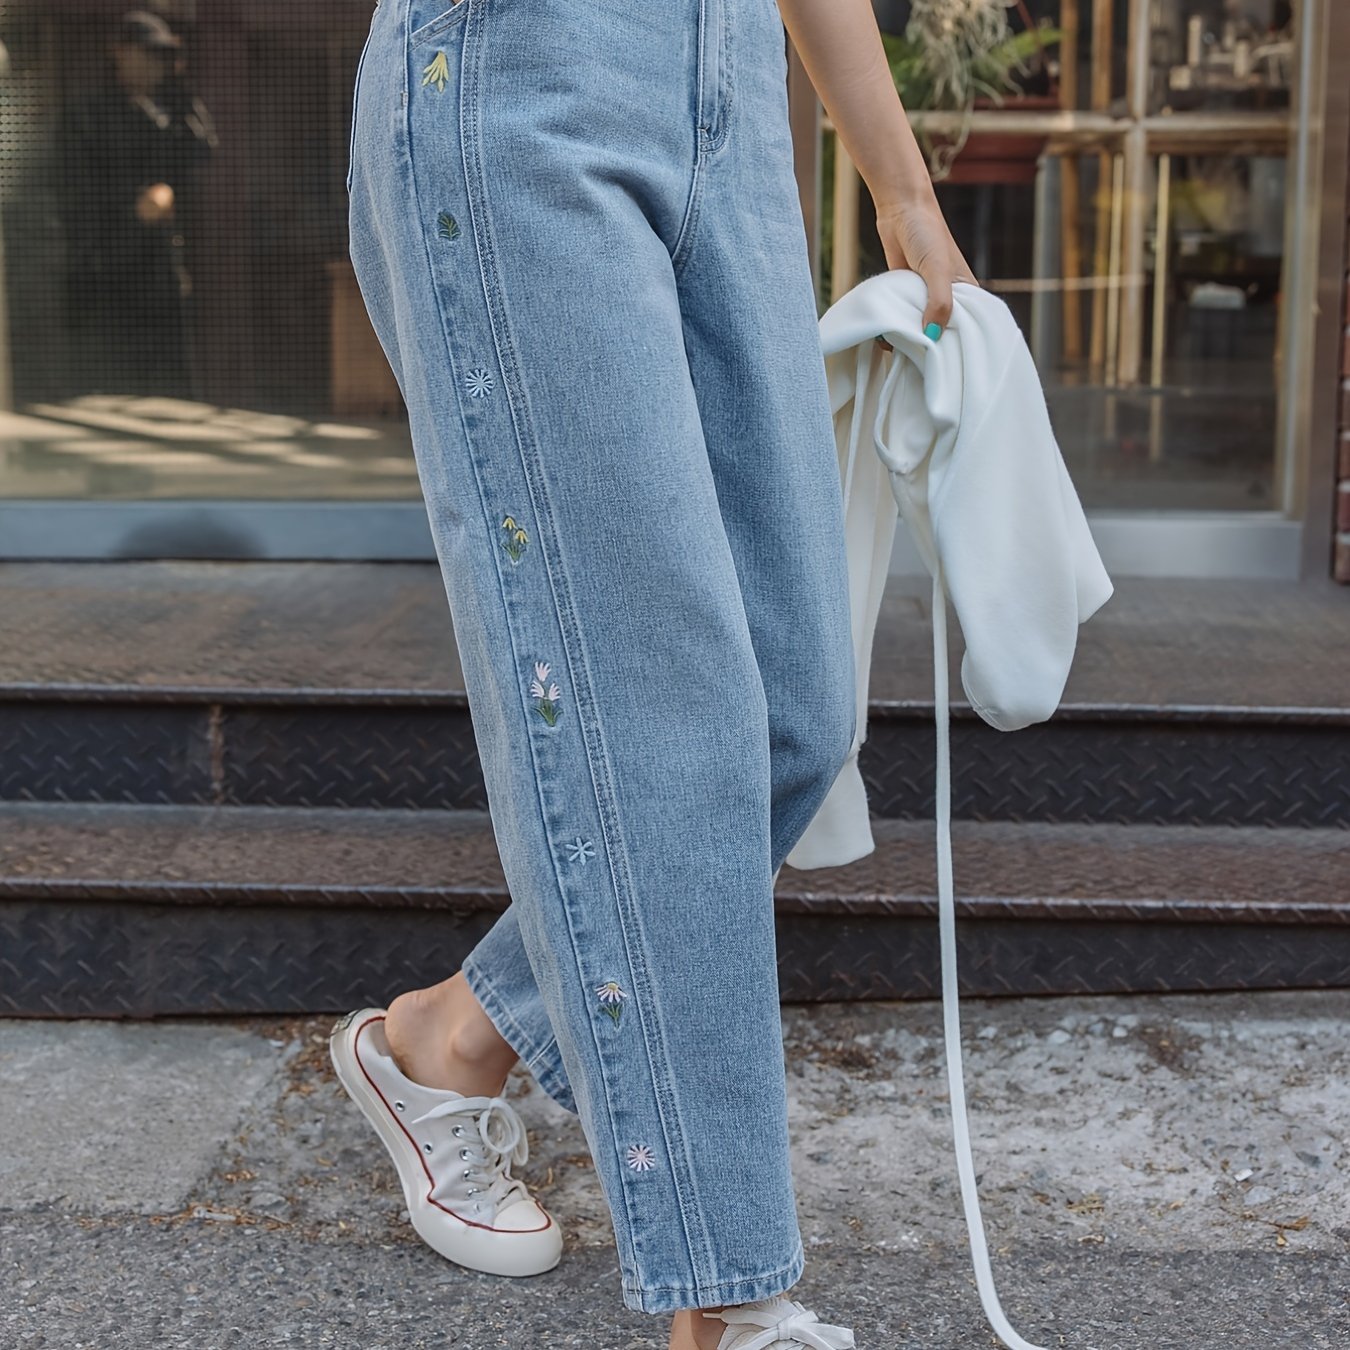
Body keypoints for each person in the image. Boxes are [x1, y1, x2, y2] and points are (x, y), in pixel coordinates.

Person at [330, 0, 977, 1345]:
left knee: (795, 712)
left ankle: (448, 1038)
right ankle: (730, 1301)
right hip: (525, 80)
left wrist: (903, 193)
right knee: (657, 719)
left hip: (728, 103)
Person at [56, 10, 216, 399]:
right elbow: (75, 193)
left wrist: (179, 82)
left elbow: (204, 147)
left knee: (169, 382)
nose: (152, 65)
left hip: (158, 268)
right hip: (104, 268)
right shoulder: (89, 113)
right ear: (120, 53)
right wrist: (134, 208)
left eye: (160, 56)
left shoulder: (168, 112)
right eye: (145, 53)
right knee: (108, 383)